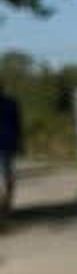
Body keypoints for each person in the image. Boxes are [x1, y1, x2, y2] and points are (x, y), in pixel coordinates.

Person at [0, 81, 22, 215]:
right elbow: (17, 124)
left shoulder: (11, 103)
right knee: (7, 175)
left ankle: (6, 205)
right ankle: (7, 205)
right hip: (8, 144)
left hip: (6, 144)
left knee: (7, 176)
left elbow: (17, 124)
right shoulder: (12, 103)